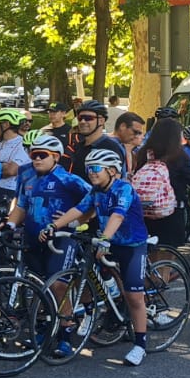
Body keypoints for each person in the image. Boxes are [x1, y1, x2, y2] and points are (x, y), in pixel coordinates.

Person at [44, 147, 152, 365]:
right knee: (86, 272)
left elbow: (118, 216)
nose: (91, 173)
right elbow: (78, 210)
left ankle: (140, 344)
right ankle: (106, 301)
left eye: (95, 168)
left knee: (134, 297)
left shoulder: (124, 189)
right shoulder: (95, 192)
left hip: (131, 245)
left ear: (112, 171)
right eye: (88, 169)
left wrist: (104, 237)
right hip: (108, 242)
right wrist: (54, 225)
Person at [4, 131, 92, 356]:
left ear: (56, 157)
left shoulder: (68, 179)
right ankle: (46, 328)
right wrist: (9, 226)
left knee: (58, 286)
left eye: (42, 155)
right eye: (33, 154)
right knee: (39, 287)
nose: (37, 159)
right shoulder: (25, 173)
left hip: (61, 240)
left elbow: (94, 200)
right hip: (33, 238)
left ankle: (65, 334)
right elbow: (21, 206)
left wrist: (79, 221)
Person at [136, 119, 190, 250]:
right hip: (171, 211)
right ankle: (165, 271)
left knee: (148, 251)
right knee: (167, 253)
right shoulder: (179, 156)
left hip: (145, 209)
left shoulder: (144, 153)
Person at [69, 101, 126, 180]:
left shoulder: (111, 148)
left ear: (101, 121)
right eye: (80, 118)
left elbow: (115, 183)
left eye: (88, 118)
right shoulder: (77, 146)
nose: (82, 121)